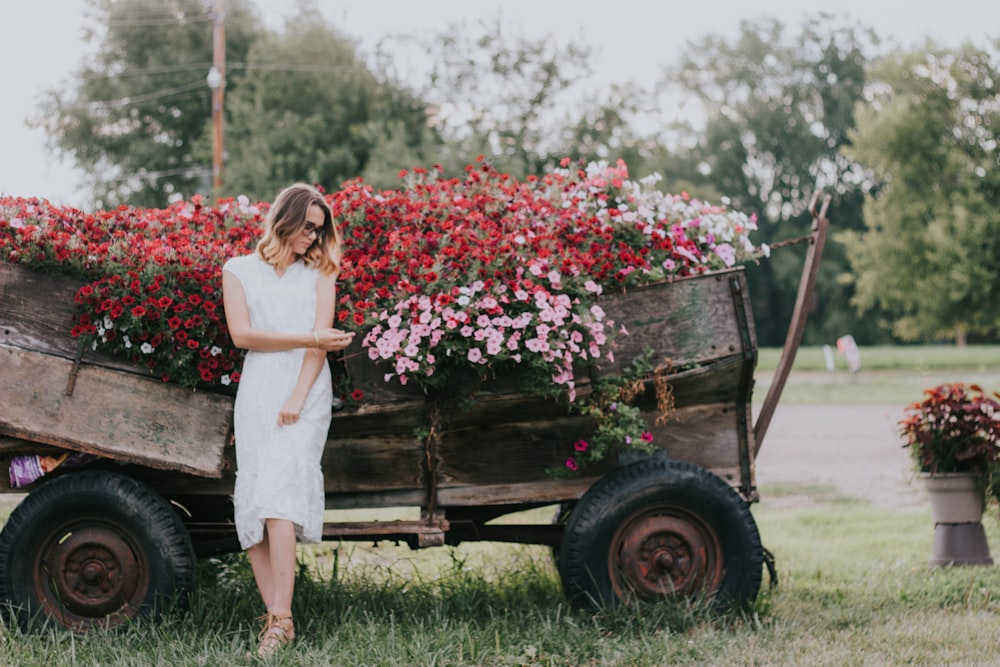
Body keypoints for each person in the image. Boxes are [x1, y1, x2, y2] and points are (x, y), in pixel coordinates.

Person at [222, 183, 355, 657]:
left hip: (305, 390)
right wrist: (309, 335)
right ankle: (277, 617)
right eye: (309, 228)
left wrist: (299, 394)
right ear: (286, 219)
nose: (314, 239)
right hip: (258, 390)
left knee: (279, 499)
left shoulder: (322, 272)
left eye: (320, 231)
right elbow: (242, 335)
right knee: (256, 502)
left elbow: (319, 349)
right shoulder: (237, 270)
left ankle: (280, 621)